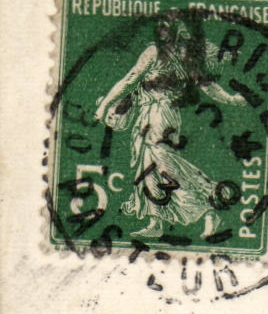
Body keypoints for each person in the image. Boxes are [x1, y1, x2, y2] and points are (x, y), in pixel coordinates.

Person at [94, 16, 249, 239]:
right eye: (160, 27)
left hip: (162, 114)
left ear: (176, 31)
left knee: (161, 160)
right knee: (147, 166)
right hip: (147, 114)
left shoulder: (175, 56)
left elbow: (205, 84)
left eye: (167, 28)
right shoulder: (154, 52)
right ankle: (156, 221)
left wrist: (231, 100)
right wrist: (108, 103)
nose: (162, 31)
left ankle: (208, 201)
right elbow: (132, 79)